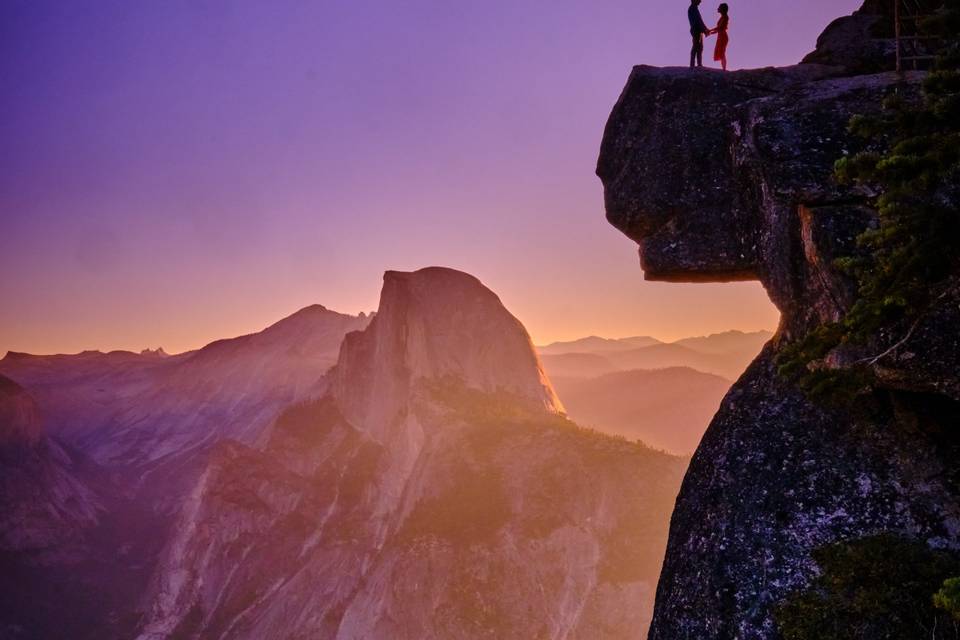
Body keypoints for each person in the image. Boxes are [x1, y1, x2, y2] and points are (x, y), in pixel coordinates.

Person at [688, 0, 711, 68]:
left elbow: (699, 21)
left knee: (699, 47)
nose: (700, 1)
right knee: (696, 46)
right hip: (696, 30)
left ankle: (698, 64)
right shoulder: (692, 9)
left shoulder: (694, 8)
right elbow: (698, 21)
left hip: (698, 30)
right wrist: (705, 30)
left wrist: (705, 29)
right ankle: (693, 64)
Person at [708, 4, 731, 71]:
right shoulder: (723, 17)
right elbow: (719, 29)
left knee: (722, 52)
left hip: (723, 36)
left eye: (719, 7)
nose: (718, 8)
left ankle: (724, 69)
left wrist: (710, 31)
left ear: (722, 9)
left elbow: (720, 28)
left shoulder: (725, 17)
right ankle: (723, 68)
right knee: (721, 52)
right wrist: (711, 32)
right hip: (721, 36)